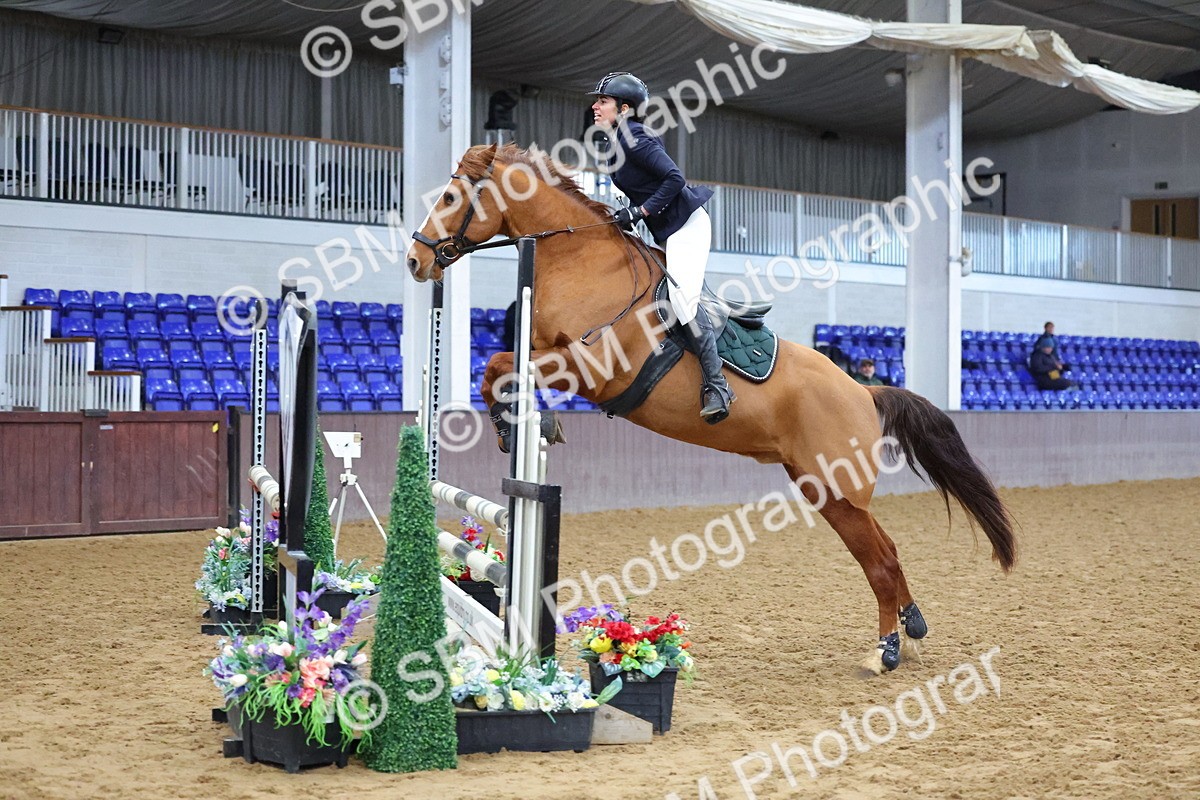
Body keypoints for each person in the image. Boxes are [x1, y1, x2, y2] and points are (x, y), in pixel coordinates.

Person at [589, 72, 735, 424]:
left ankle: (717, 385)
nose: (595, 106)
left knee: (682, 302)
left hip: (688, 226)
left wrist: (639, 212)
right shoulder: (617, 141)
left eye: (603, 101)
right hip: (668, 231)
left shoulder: (635, 136)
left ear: (624, 109)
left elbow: (674, 178)